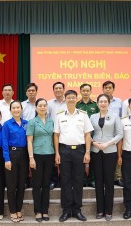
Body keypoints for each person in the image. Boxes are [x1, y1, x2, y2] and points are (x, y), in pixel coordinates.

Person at [54, 90, 93, 222]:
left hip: (79, 151)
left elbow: (88, 134)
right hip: (64, 150)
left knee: (78, 180)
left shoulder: (83, 115)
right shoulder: (59, 116)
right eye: (68, 97)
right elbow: (56, 135)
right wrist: (57, 153)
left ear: (77, 99)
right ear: (65, 99)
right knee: (65, 181)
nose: (71, 99)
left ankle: (77, 210)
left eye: (73, 97)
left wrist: (87, 152)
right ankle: (66, 210)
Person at [90, 94, 123, 221]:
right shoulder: (92, 116)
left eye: (105, 101)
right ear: (97, 103)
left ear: (108, 103)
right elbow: (87, 133)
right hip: (96, 151)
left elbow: (120, 134)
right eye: (100, 101)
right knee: (98, 181)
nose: (103, 103)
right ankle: (99, 210)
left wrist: (108, 143)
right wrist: (94, 143)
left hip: (110, 151)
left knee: (109, 181)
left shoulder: (115, 117)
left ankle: (108, 211)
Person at [26, 98, 55, 222]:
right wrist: (31, 158)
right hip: (37, 155)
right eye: (40, 105)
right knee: (37, 184)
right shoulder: (32, 122)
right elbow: (29, 141)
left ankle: (45, 210)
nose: (42, 107)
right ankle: (37, 211)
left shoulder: (51, 122)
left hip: (50, 155)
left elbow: (54, 138)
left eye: (44, 105)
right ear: (36, 108)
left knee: (46, 184)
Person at [2, 101, 28, 222]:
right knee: (11, 185)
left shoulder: (27, 124)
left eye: (18, 108)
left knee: (21, 185)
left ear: (21, 109)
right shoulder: (7, 125)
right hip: (12, 155)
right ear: (10, 110)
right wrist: (7, 159)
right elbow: (4, 142)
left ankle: (19, 210)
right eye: (14, 108)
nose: (16, 110)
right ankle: (12, 211)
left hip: (24, 155)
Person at [76, 83, 99, 188]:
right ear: (80, 91)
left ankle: (92, 179)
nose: (85, 92)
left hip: (93, 136)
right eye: (83, 90)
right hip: (79, 137)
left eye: (87, 90)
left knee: (93, 158)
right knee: (81, 159)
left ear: (91, 92)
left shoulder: (95, 105)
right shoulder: (77, 105)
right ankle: (83, 179)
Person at [102, 80, 124, 187]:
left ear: (113, 89)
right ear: (103, 89)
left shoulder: (119, 101)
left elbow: (122, 116)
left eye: (110, 87)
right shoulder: (100, 101)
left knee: (118, 154)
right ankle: (105, 177)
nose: (108, 89)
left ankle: (118, 176)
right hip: (104, 131)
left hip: (117, 131)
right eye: (106, 88)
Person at [47, 82, 67, 190]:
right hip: (52, 134)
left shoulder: (69, 102)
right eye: (56, 88)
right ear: (53, 90)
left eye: (60, 88)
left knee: (64, 157)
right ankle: (53, 180)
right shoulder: (49, 103)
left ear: (64, 89)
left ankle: (64, 180)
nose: (58, 90)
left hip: (66, 134)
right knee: (53, 158)